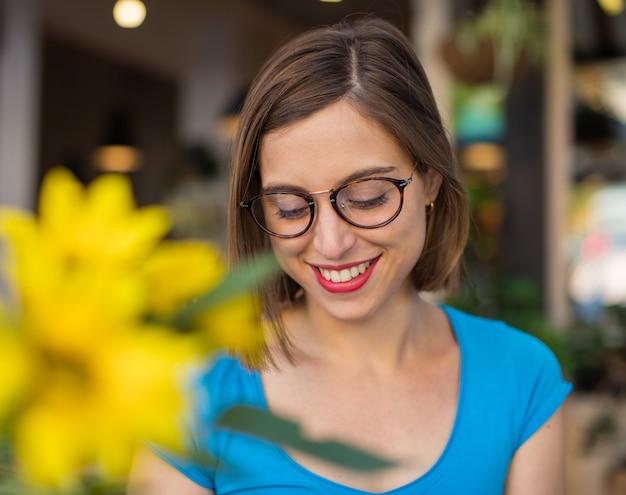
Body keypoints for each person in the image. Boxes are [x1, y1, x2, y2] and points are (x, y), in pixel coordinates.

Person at [128, 17, 571, 494]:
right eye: (291, 207)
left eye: (367, 197)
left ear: (432, 179)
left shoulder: (520, 377)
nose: (331, 243)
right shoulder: (194, 388)